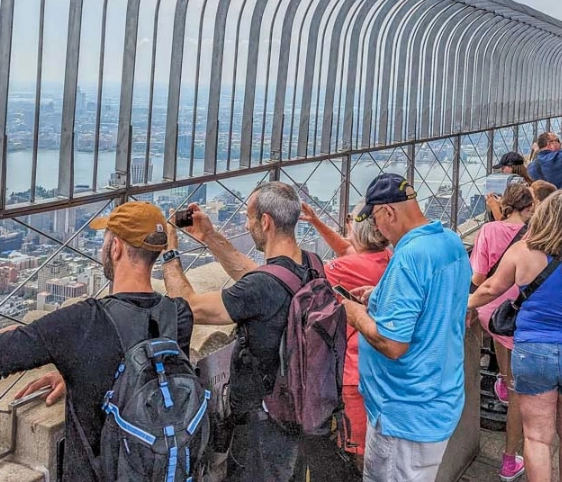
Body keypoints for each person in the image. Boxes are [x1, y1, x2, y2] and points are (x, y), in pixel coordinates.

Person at [0, 201, 194, 482]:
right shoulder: (179, 316)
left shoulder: (82, 321)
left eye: (105, 240)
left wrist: (11, 334)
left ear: (115, 248)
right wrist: (72, 369)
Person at [161, 181, 329, 481]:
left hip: (262, 428)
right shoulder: (312, 265)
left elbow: (186, 306)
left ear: (266, 222)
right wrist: (209, 236)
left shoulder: (260, 288)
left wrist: (169, 254)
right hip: (301, 412)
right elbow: (263, 276)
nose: (247, 225)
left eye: (250, 218)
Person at [339, 173, 472, 482]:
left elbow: (393, 344)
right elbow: (439, 298)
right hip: (439, 395)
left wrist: (355, 314)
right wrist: (381, 295)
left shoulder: (410, 256)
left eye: (375, 219)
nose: (377, 229)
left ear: (388, 212)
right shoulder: (449, 241)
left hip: (404, 413)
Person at [469, 190, 562, 482]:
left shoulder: (522, 251)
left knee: (537, 438)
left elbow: (489, 289)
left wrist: (462, 304)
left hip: (531, 351)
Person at [311, 202, 391, 470]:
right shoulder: (387, 257)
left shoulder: (339, 269)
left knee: (360, 452)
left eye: (350, 220)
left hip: (354, 371)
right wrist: (316, 221)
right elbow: (349, 249)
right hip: (382, 365)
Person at [470, 183, 535, 481]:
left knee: (499, 336)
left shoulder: (488, 230)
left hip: (490, 312)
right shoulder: (535, 235)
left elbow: (478, 277)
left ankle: (503, 380)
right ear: (529, 208)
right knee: (519, 395)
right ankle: (509, 460)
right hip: (519, 314)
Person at [486, 152, 532, 221]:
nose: (502, 171)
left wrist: (494, 207)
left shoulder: (523, 192)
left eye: (503, 168)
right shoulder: (529, 184)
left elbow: (506, 223)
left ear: (511, 167)